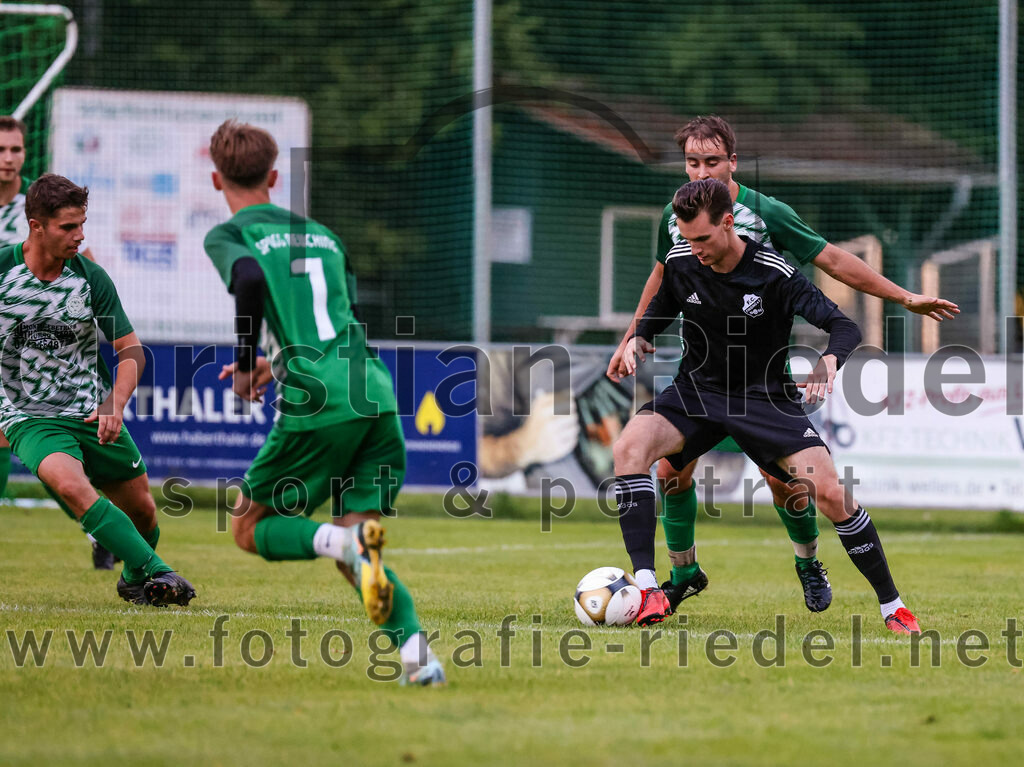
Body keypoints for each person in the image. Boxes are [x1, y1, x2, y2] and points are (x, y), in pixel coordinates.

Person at [606, 116, 958, 623]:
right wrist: (634, 337)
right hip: (699, 386)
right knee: (653, 462)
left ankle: (846, 581)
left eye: (711, 161)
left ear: (733, 165)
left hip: (763, 392)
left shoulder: (768, 232)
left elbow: (833, 264)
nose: (700, 171)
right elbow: (664, 285)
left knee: (806, 490)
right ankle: (660, 584)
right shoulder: (681, 229)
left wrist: (898, 301)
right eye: (692, 162)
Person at [204, 120, 445, 686]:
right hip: (373, 393)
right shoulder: (325, 236)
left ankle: (343, 540)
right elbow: (337, 322)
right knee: (358, 559)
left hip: (321, 400)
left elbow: (245, 280)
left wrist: (244, 364)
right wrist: (276, 359)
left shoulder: (229, 234)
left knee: (246, 526)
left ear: (217, 180)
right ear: (274, 175)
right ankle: (419, 661)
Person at [0, 173, 196, 607]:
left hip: (90, 409)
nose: (80, 235)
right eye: (68, 227)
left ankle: (133, 578)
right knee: (73, 489)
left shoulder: (91, 279)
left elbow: (131, 352)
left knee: (143, 510)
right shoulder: (2, 271)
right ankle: (160, 571)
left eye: (82, 224)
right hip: (28, 414)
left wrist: (115, 402)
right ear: (37, 226)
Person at [0, 115, 115, 570]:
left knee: (44, 445)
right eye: (0, 151)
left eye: (15, 150)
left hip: (47, 352)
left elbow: (85, 265)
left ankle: (99, 526)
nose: (8, 160)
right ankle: (97, 527)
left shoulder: (40, 207)